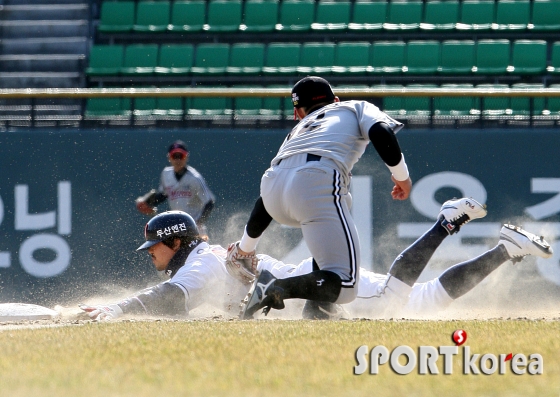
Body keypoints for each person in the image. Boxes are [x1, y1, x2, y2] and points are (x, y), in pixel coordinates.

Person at [80, 199, 553, 321]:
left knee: (410, 299)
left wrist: (117, 309)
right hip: (314, 288)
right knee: (425, 300)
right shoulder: (201, 261)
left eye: (155, 246)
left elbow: (166, 297)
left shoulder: (202, 261)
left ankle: (448, 222)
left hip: (322, 289)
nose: (151, 255)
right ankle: (506, 249)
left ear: (177, 241)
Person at [228, 75, 412, 319]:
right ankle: (275, 287)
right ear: (335, 100)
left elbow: (271, 193)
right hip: (314, 183)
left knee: (340, 207)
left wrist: (245, 247)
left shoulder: (298, 130)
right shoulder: (353, 106)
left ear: (299, 113)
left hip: (272, 190)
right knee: (345, 286)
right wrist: (402, 177)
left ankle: (318, 308)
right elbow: (381, 131)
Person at [135, 140, 215, 235]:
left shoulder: (195, 178)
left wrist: (199, 222)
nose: (178, 160)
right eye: (174, 156)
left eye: (181, 156)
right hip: (176, 227)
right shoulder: (166, 174)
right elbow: (164, 195)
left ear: (186, 157)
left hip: (194, 227)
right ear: (169, 157)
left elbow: (209, 202)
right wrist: (147, 203)